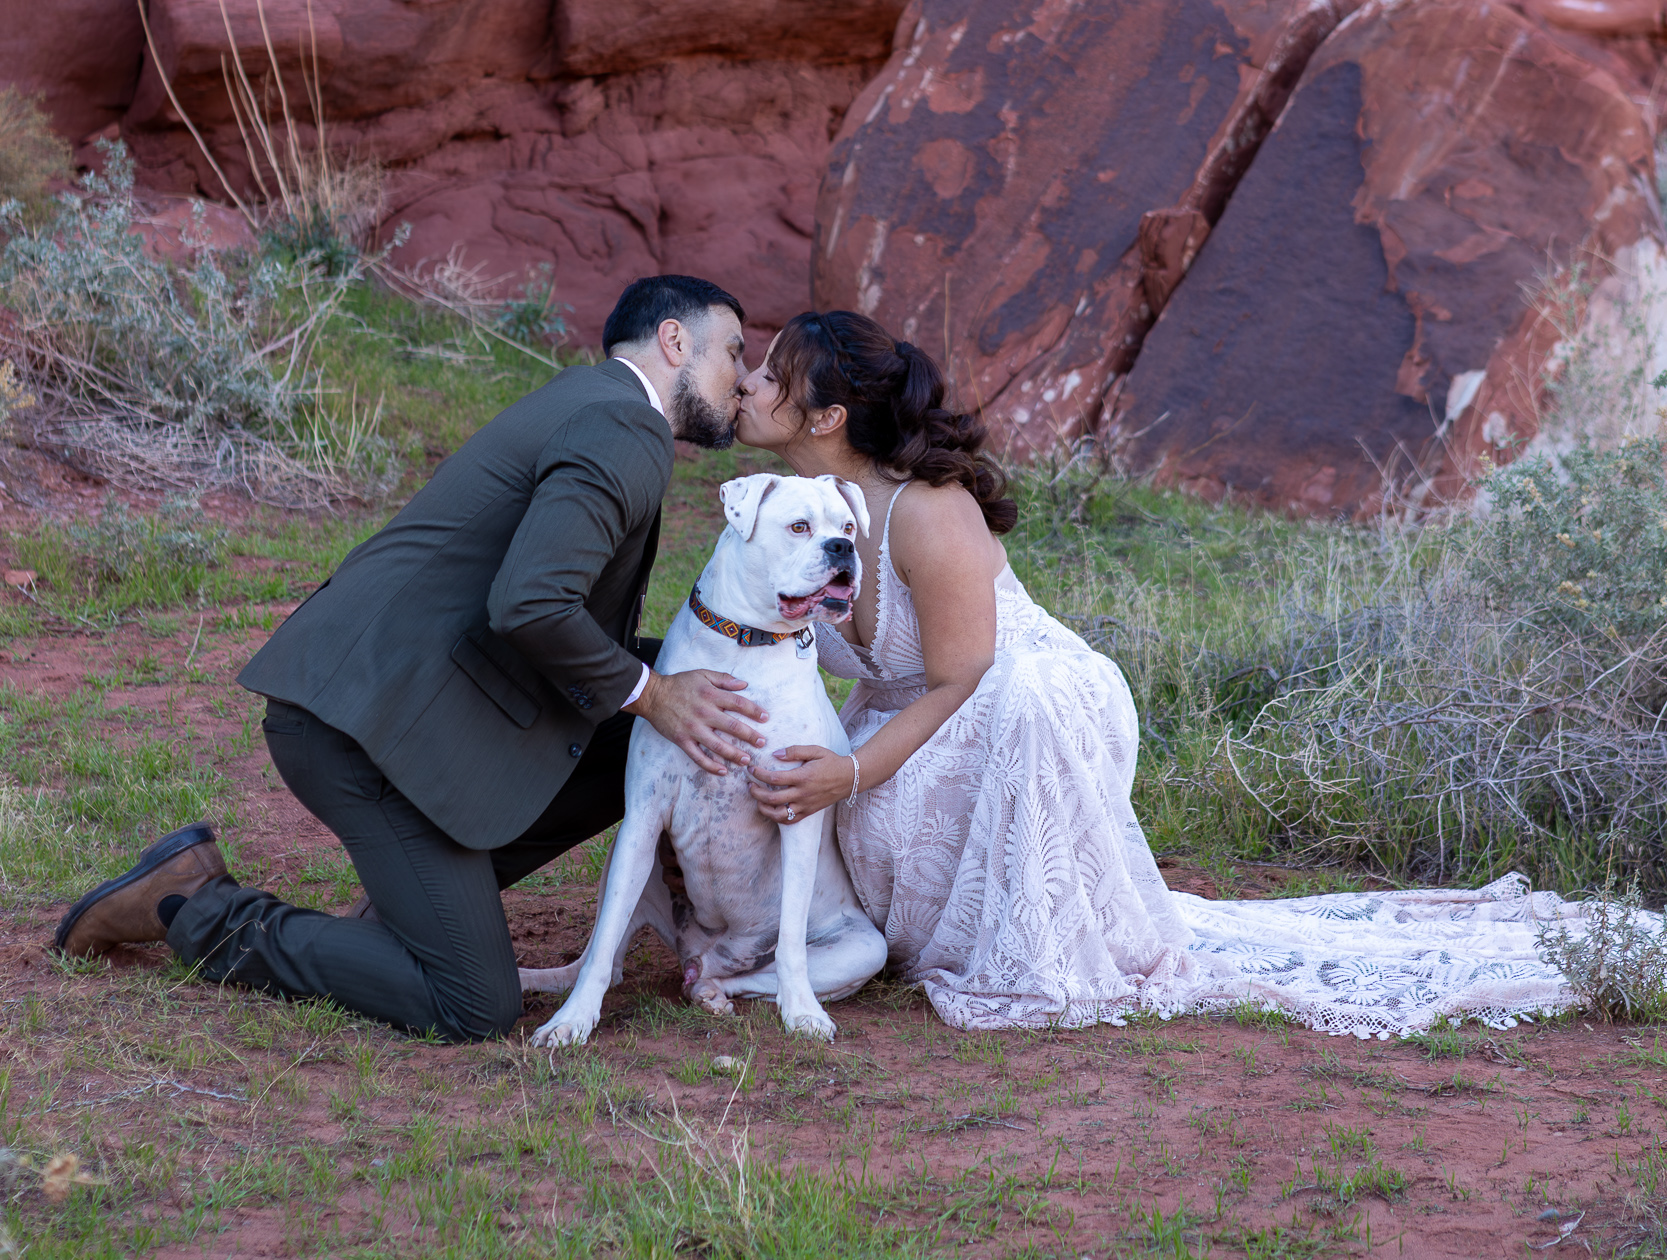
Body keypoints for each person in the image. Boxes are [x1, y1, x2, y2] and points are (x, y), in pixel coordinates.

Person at [732, 310, 1598, 1037]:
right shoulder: (793, 510)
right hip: (912, 709)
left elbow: (963, 678)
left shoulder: (925, 511)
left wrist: (851, 771)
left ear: (825, 417)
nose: (747, 383)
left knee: (978, 739)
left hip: (1022, 699)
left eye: (771, 376)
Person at [53, 275, 765, 1041]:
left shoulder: (589, 402)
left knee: (656, 720)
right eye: (734, 353)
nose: (745, 380)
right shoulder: (627, 430)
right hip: (361, 728)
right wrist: (653, 693)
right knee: (471, 1003)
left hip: (395, 699)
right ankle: (194, 906)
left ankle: (414, 906)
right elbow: (532, 604)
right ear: (673, 342)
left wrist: (664, 689)